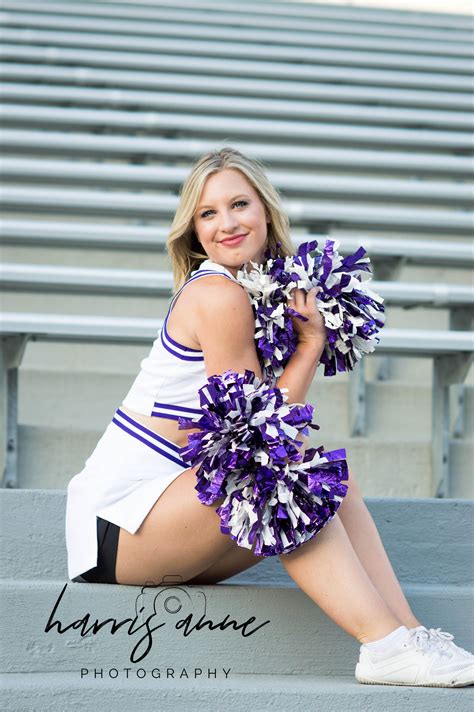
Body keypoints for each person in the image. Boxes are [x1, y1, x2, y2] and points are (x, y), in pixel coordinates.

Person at [65, 147, 473, 687]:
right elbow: (258, 438)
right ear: (193, 230)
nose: (227, 223)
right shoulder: (218, 294)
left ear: (265, 210)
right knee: (280, 475)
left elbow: (275, 430)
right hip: (120, 528)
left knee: (331, 482)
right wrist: (308, 348)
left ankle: (408, 635)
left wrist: (308, 338)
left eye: (239, 204)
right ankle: (383, 645)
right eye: (208, 213)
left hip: (172, 521)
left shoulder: (258, 293)